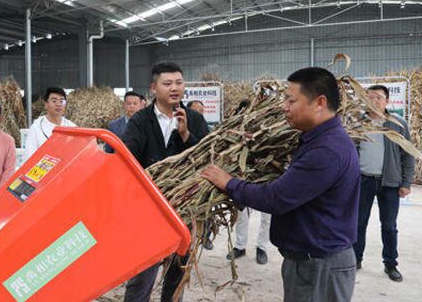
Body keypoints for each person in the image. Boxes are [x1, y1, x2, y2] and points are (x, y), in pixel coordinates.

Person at [201, 67, 360, 302]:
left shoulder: (326, 150)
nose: (284, 106)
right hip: (311, 261)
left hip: (319, 266)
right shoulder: (318, 139)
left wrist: (229, 182)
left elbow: (277, 198)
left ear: (319, 102)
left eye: (291, 100)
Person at [122, 62, 209, 302]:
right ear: (153, 88)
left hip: (185, 211)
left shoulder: (195, 119)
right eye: (167, 83)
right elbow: (127, 158)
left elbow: (207, 160)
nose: (174, 88)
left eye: (179, 83)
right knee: (142, 276)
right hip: (149, 210)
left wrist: (185, 136)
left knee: (176, 274)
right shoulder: (141, 120)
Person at [353, 85, 415, 282]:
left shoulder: (398, 123)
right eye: (369, 97)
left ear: (387, 101)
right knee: (358, 223)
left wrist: (406, 182)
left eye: (378, 97)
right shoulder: (357, 123)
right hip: (363, 180)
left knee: (389, 226)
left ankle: (390, 264)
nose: (373, 101)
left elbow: (408, 156)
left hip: (390, 183)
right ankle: (356, 259)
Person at [23, 86, 76, 161]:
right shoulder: (37, 128)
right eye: (54, 101)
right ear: (46, 104)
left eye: (61, 101)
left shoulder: (72, 127)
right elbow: (29, 157)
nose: (58, 104)